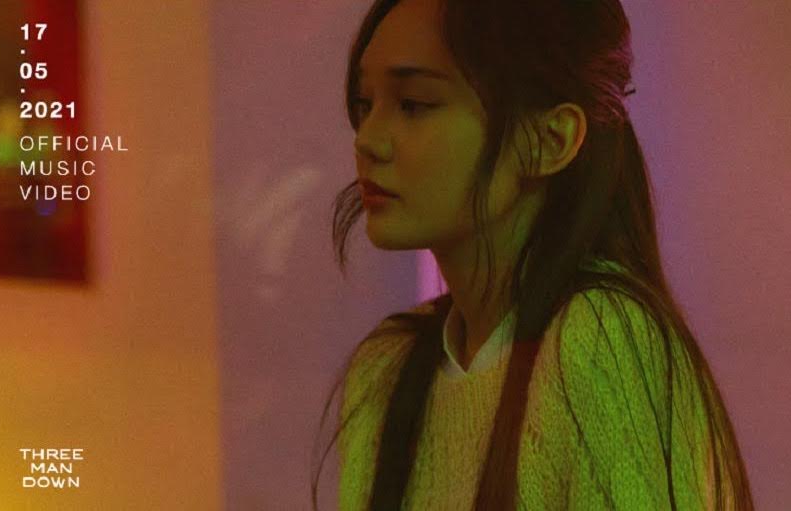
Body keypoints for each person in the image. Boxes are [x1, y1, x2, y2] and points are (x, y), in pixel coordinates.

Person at [310, 0, 755, 508]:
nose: (367, 140)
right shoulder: (387, 367)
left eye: (414, 104)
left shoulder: (599, 339)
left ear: (550, 139)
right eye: (365, 104)